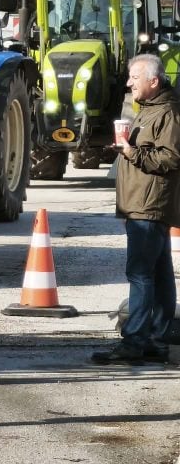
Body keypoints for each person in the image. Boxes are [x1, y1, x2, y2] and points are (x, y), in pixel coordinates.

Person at [92, 53, 180, 365]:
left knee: (140, 273)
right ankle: (155, 339)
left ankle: (135, 341)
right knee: (159, 273)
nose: (129, 83)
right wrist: (125, 147)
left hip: (149, 203)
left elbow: (170, 158)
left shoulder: (167, 112)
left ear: (154, 81)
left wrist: (132, 152)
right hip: (142, 202)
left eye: (134, 78)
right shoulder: (151, 109)